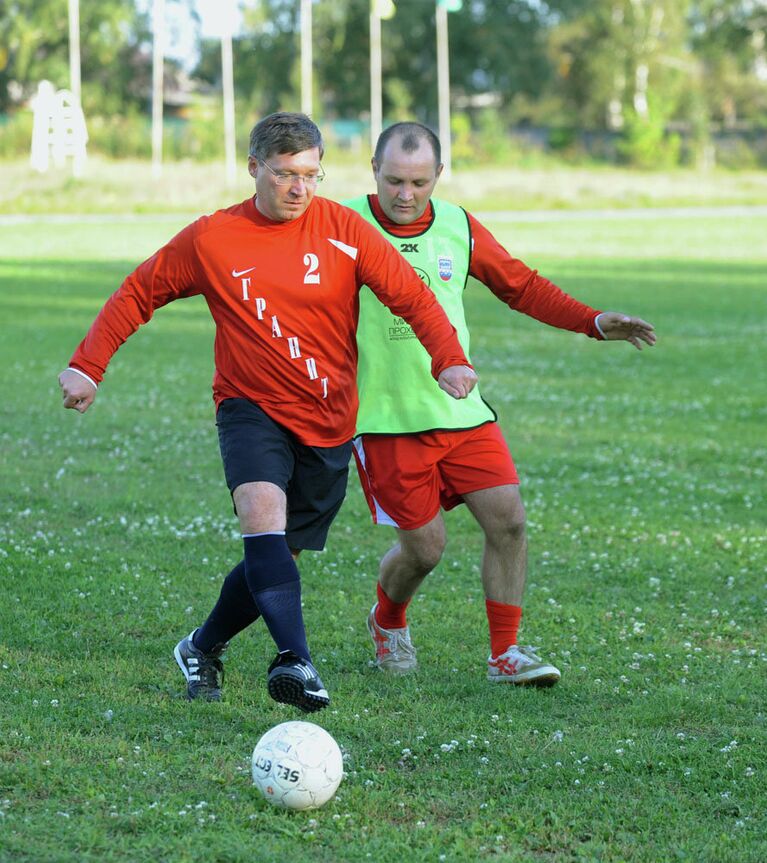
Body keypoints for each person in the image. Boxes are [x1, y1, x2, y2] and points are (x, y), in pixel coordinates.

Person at [58, 112, 477, 712]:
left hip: (330, 419)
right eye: (285, 174)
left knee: (276, 555)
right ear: (255, 168)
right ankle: (296, 661)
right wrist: (87, 365)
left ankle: (202, 646)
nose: (299, 188)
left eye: (311, 174)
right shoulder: (211, 239)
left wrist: (449, 358)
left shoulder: (346, 230)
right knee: (261, 517)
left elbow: (412, 297)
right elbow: (138, 292)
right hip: (249, 406)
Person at [345, 122, 656, 686]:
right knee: (425, 549)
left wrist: (590, 321)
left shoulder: (459, 226)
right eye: (394, 180)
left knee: (509, 521)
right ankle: (387, 621)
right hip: (385, 420)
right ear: (373, 170)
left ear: (439, 175)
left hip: (463, 411)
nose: (406, 194)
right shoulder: (341, 224)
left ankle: (504, 654)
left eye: (419, 181)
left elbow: (520, 285)